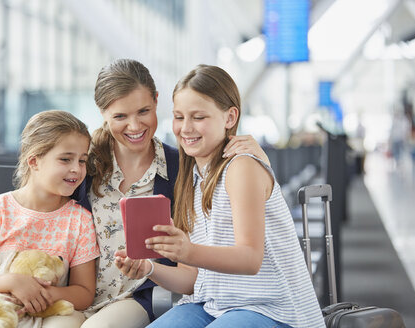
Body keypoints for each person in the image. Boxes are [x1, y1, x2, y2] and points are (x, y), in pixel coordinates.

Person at [0, 59, 271, 327]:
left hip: (139, 293)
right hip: (74, 293)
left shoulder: (182, 165)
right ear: (103, 113)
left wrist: (257, 155)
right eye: (120, 116)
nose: (134, 125)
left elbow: (227, 175)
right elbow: (38, 200)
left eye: (144, 111)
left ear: (157, 102)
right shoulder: (85, 162)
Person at [115, 65, 325, 328]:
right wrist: (150, 269)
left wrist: (188, 251)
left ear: (229, 118)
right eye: (179, 117)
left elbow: (250, 259)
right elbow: (191, 279)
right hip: (213, 305)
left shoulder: (241, 167)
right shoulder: (190, 177)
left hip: (274, 310)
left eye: (199, 117)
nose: (186, 128)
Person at [0, 110, 99, 328]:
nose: (77, 169)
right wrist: (12, 283)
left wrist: (42, 294)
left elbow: (84, 293)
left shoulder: (80, 221)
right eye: (65, 159)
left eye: (82, 160)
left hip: (49, 317)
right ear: (34, 161)